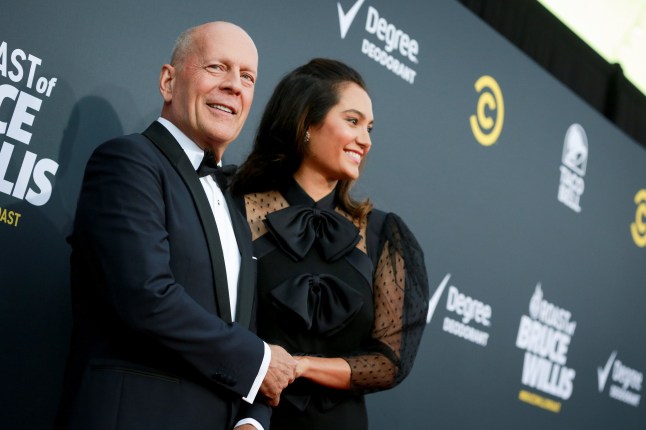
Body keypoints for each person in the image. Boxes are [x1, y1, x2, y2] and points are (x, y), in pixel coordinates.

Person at [55, 22, 297, 430]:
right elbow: (144, 296)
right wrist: (259, 362)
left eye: (247, 77)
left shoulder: (235, 209)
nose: (234, 86)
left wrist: (252, 421)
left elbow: (245, 331)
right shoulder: (129, 162)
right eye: (217, 67)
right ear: (168, 82)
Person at [231, 58, 430, 429]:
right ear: (306, 123)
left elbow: (390, 360)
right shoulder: (237, 210)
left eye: (370, 128)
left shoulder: (384, 234)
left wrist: (300, 365)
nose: (366, 140)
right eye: (352, 121)